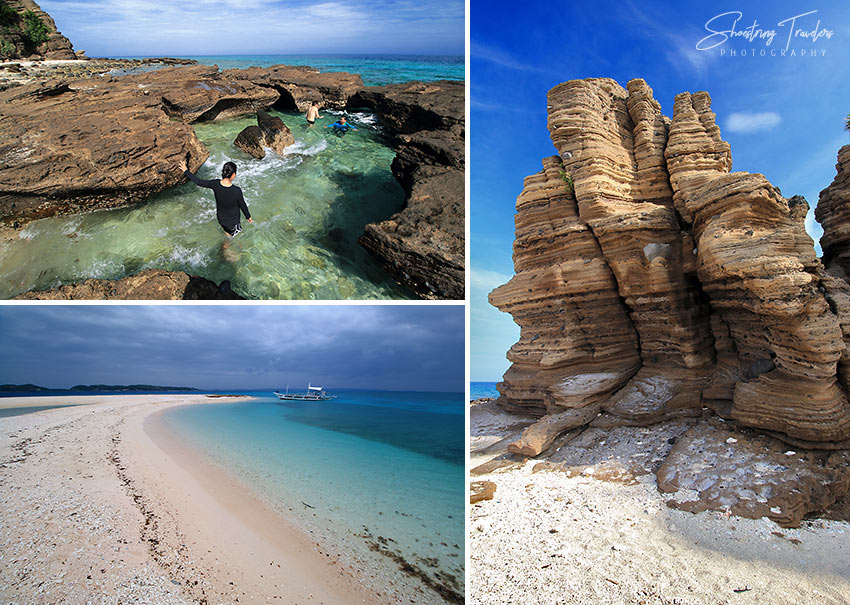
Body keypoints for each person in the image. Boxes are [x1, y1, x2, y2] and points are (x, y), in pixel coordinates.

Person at [179, 160, 253, 240]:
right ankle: (226, 250)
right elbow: (242, 205)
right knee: (238, 241)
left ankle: (226, 245)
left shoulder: (215, 184)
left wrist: (186, 171)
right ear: (233, 175)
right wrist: (248, 216)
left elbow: (199, 182)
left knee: (228, 235)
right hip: (233, 222)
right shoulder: (236, 190)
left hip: (221, 219)